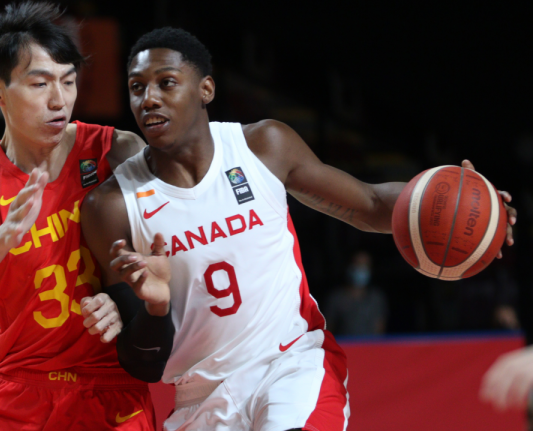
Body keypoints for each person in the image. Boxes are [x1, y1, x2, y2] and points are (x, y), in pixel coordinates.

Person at [81, 27, 517, 431]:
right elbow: (143, 364)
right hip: (199, 397)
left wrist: (468, 207)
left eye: (166, 82)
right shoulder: (111, 206)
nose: (148, 99)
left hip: (290, 363)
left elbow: (369, 204)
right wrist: (157, 309)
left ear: (206, 89)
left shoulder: (261, 145)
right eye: (137, 88)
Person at [0, 3, 155, 430]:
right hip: (21, 392)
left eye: (68, 82)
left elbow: (182, 244)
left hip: (111, 388)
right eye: (40, 83)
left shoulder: (115, 151)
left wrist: (127, 301)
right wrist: (1, 239)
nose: (59, 100)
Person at [325, 251, 387, 336]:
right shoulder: (336, 298)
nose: (361, 269)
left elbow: (379, 328)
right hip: (344, 347)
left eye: (365, 265)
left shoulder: (376, 298)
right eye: (358, 264)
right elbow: (329, 329)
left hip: (370, 347)